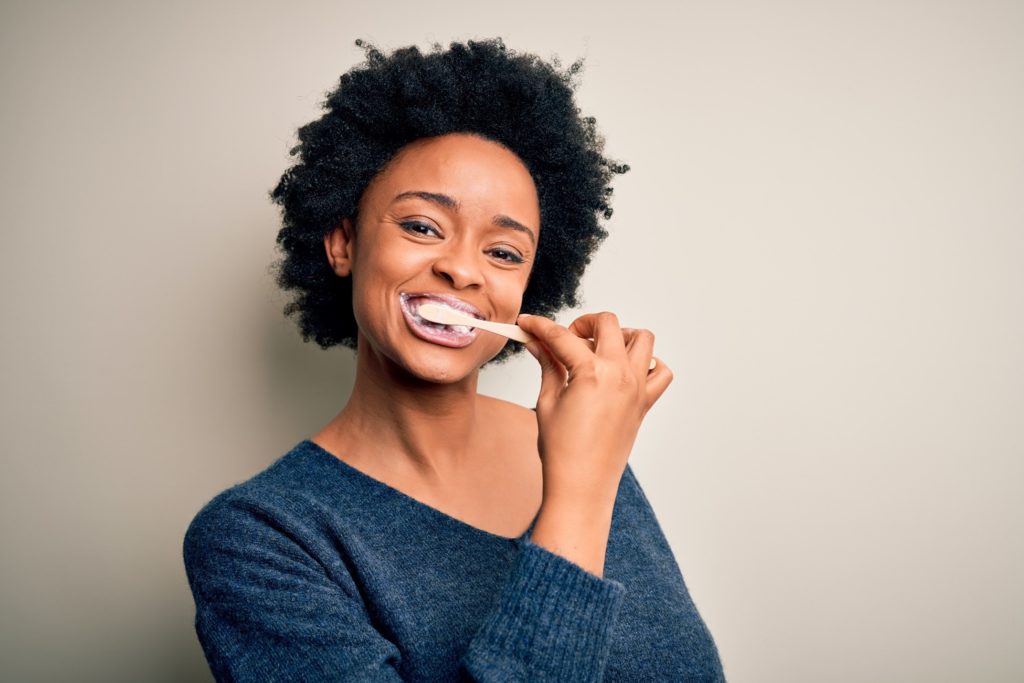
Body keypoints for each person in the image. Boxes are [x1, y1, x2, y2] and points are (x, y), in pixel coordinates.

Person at [183, 37, 726, 682]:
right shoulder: (261, 541)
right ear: (343, 243)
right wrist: (579, 492)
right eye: (421, 227)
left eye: (503, 252)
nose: (462, 268)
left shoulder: (588, 440)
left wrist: (590, 462)